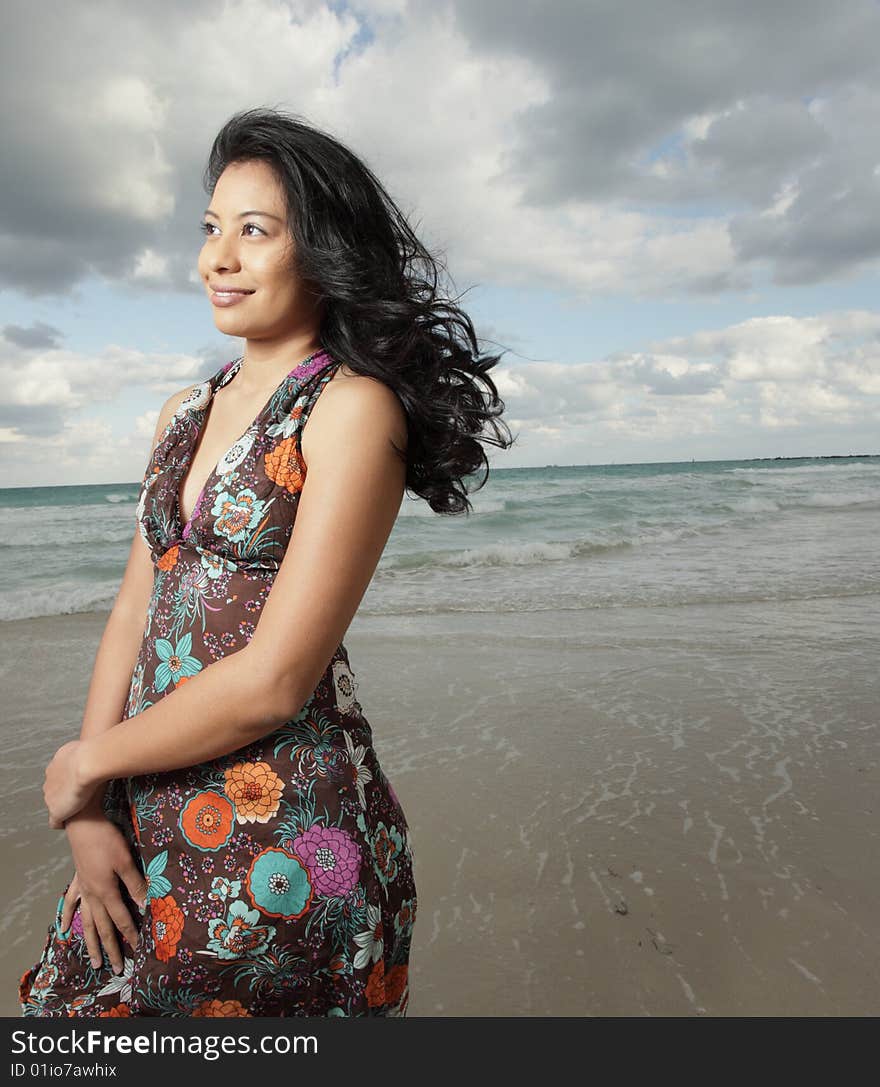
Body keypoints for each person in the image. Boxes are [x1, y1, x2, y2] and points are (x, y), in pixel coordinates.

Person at [18, 107, 514, 1018]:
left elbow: (279, 679)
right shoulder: (181, 410)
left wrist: (87, 764)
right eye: (212, 229)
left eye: (256, 231)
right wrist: (90, 808)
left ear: (320, 251)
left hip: (286, 838)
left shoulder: (351, 409)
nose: (220, 257)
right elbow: (136, 608)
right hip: (143, 807)